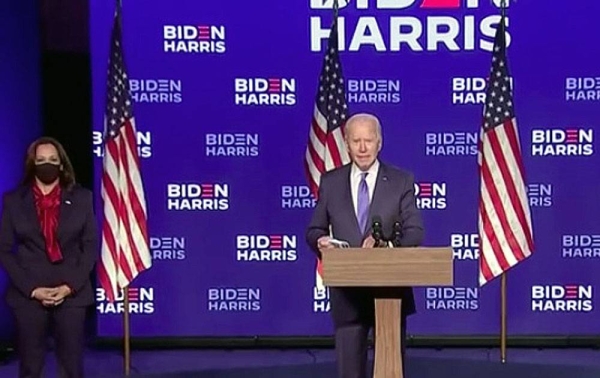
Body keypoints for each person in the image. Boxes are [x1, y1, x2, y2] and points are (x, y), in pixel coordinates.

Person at [306, 113, 424, 378]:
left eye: (368, 141)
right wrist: (320, 241)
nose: (362, 148)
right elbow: (314, 229)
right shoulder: (331, 182)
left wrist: (386, 246)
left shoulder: (401, 181)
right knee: (349, 370)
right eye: (356, 141)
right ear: (346, 143)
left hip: (389, 292)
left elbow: (415, 232)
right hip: (347, 294)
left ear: (379, 142)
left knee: (390, 368)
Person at [0, 136, 98, 378]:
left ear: (62, 165)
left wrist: (69, 287)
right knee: (30, 366)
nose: (47, 164)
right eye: (41, 160)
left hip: (71, 292)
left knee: (72, 367)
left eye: (53, 160)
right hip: (28, 294)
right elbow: (4, 249)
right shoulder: (13, 201)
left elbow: (90, 246)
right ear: (32, 164)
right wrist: (32, 289)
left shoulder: (82, 198)